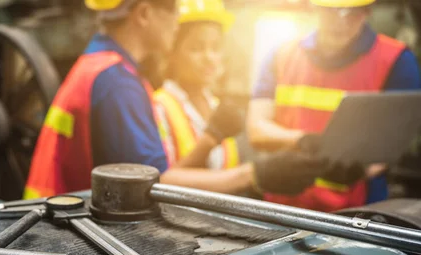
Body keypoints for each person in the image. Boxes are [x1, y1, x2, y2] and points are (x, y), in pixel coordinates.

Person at [24, 0, 325, 200]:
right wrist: (256, 175)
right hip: (67, 229)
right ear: (143, 14)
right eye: (172, 12)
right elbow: (153, 183)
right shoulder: (118, 83)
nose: (176, 21)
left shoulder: (102, 67)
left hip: (58, 217)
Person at [248, 0, 421, 212]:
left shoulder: (396, 60)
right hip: (284, 207)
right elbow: (256, 128)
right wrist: (301, 140)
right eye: (332, 12)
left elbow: (394, 142)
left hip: (356, 214)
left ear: (367, 11)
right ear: (315, 8)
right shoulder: (281, 54)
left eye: (351, 13)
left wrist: (361, 170)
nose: (341, 22)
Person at [154, 0, 252, 171]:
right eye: (196, 48)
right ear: (172, 53)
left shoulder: (216, 106)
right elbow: (161, 180)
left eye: (215, 48)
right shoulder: (158, 107)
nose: (209, 57)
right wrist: (210, 140)